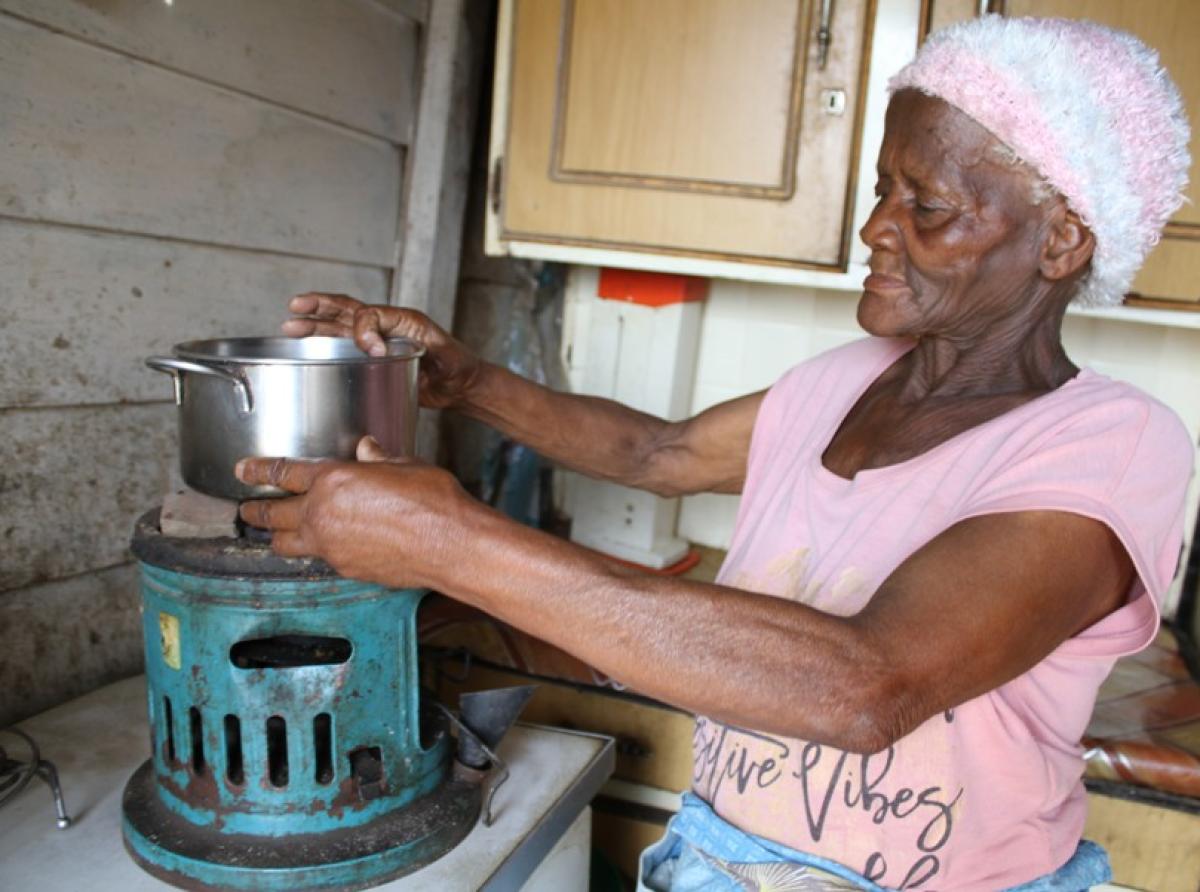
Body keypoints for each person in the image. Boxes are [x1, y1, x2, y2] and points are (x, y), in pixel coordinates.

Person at [235, 16, 1193, 891]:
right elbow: (658, 452)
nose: (875, 230)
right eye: (880, 192)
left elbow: (868, 685)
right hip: (719, 863)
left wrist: (451, 544)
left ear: (1061, 240)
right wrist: (470, 380)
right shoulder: (845, 380)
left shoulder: (1110, 441)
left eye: (927, 205)